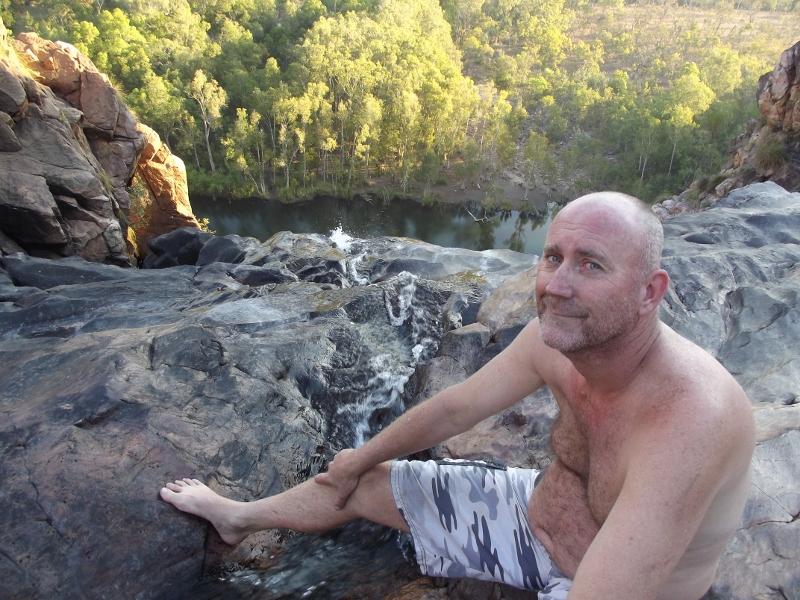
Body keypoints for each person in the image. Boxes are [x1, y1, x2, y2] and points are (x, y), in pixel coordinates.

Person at [160, 192, 755, 600]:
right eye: (553, 257)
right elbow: (454, 408)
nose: (557, 284)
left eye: (591, 265)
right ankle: (238, 518)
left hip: (599, 585)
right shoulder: (555, 340)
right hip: (530, 521)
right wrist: (357, 459)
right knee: (363, 482)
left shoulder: (689, 419)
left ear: (651, 292)